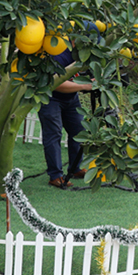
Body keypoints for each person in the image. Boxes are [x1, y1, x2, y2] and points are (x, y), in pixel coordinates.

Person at [40, 48, 95, 188]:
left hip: (71, 98)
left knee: (79, 131)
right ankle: (55, 175)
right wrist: (83, 85)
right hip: (51, 98)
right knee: (53, 134)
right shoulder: (58, 55)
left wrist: (87, 82)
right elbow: (54, 83)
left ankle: (75, 169)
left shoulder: (82, 54)